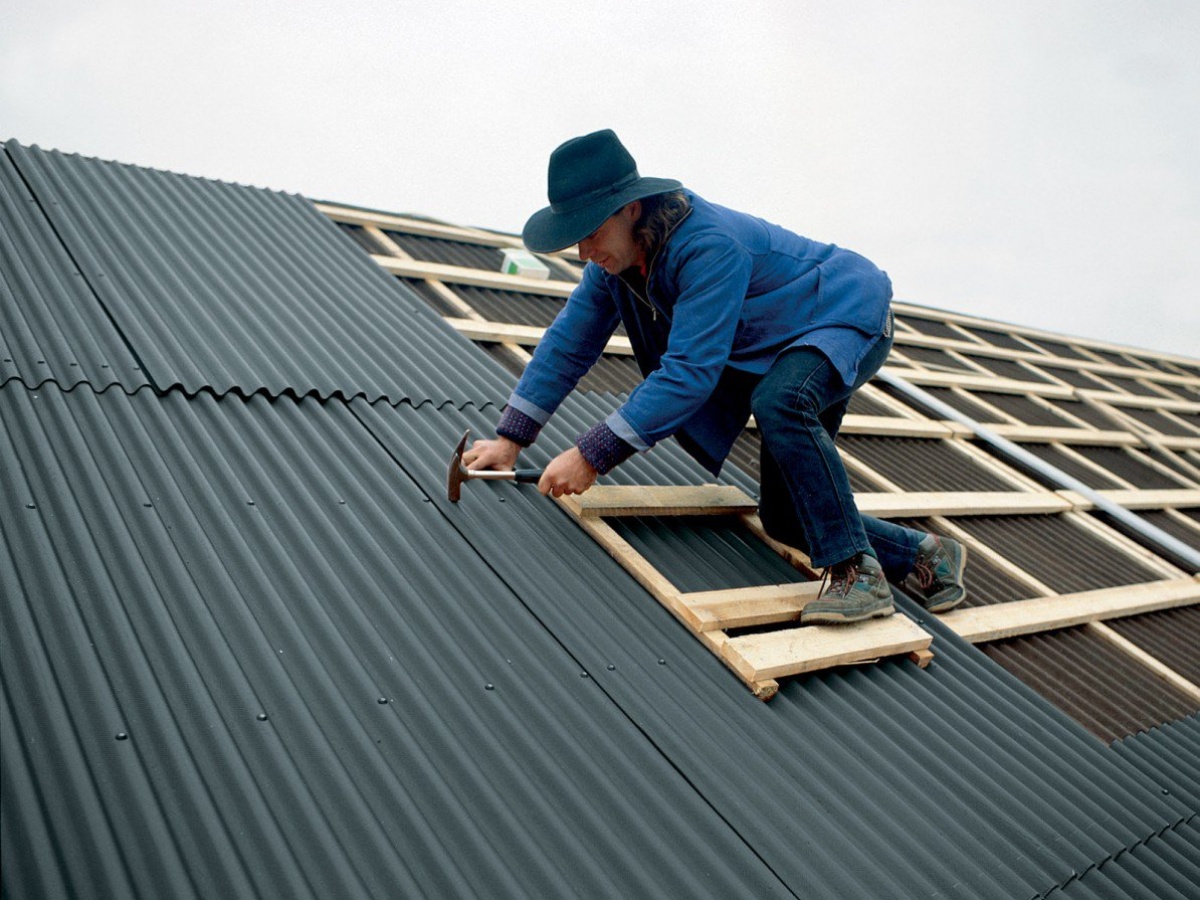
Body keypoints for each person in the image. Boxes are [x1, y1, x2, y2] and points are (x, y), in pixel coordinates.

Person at [464, 129, 967, 624]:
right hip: (780, 334)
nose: (583, 253)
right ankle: (926, 553)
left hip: (842, 308)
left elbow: (688, 372)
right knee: (787, 517)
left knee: (781, 401)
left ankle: (858, 576)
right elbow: (569, 343)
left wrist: (592, 453)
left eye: (591, 233)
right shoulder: (614, 267)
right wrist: (511, 440)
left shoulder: (707, 246)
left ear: (631, 209)